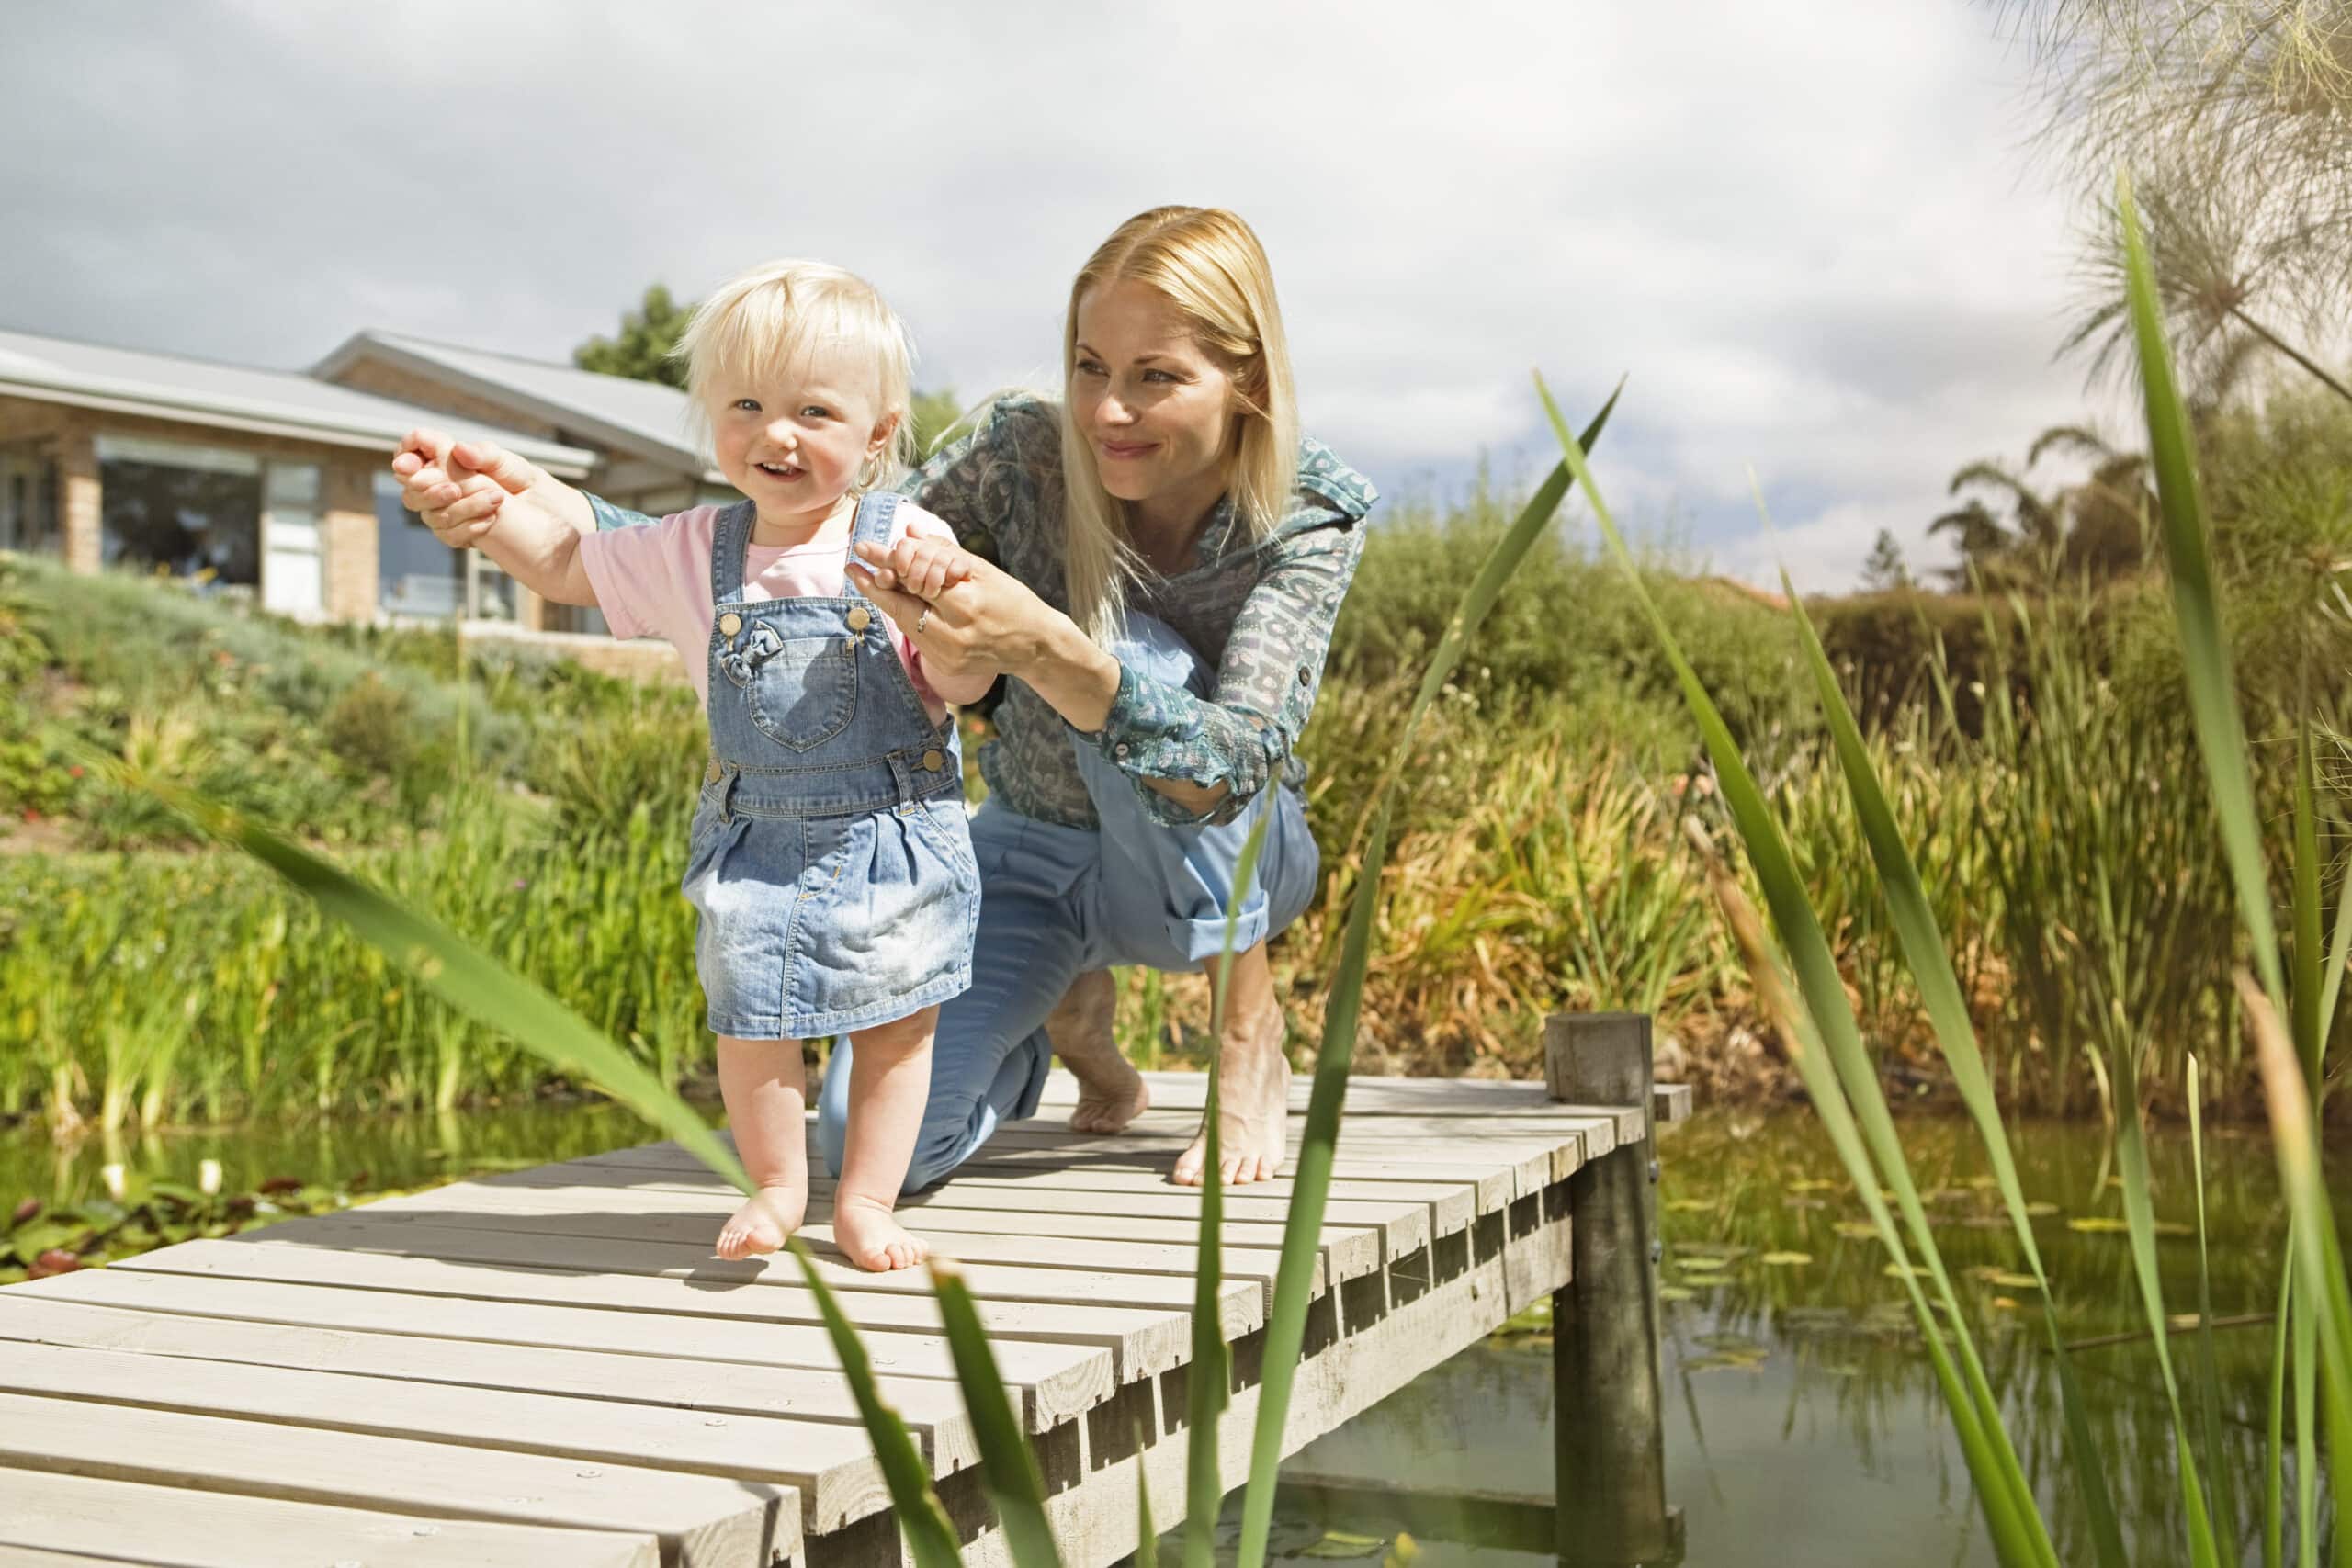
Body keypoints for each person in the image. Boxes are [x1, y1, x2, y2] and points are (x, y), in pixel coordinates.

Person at [397, 206, 1376, 1191]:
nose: (1106, 412)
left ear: (1243, 379)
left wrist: (1043, 646)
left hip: (1218, 865)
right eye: (1089, 367)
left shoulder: (1305, 514)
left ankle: (1244, 1030)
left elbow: (1232, 764)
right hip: (1033, 846)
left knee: (1130, 653)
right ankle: (1070, 1021)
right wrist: (551, 511)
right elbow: (806, 540)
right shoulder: (1021, 453)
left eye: (1153, 377)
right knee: (876, 1155)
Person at [394, 259, 988, 1269]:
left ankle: (868, 1203)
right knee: (752, 1011)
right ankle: (773, 1184)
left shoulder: (906, 541)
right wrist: (481, 510)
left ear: (877, 435)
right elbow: (566, 563)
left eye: (813, 410)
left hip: (890, 825)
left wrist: (944, 613)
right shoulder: (689, 548)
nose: (775, 434)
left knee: (895, 1025)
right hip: (757, 827)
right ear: (711, 415)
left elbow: (967, 681)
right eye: (746, 405)